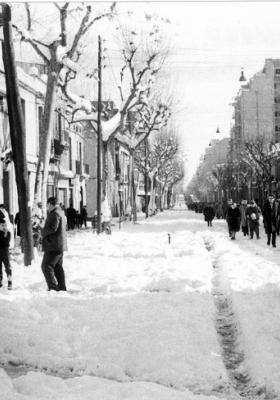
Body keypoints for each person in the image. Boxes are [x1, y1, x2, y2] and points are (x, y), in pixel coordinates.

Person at [41, 197, 67, 291]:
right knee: (57, 267)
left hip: (53, 245)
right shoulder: (60, 212)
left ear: (50, 204)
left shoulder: (55, 213)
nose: (47, 207)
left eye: (47, 205)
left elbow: (53, 228)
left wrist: (42, 231)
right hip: (59, 245)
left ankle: (53, 288)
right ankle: (62, 287)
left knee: (46, 266)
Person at [0, 218, 12, 289]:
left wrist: (5, 233)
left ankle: (9, 281)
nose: (4, 226)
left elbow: (6, 242)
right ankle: (0, 281)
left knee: (7, 267)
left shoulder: (8, 233)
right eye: (2, 225)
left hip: (5, 251)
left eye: (5, 225)